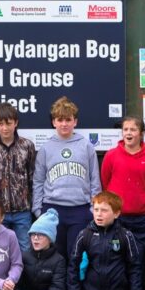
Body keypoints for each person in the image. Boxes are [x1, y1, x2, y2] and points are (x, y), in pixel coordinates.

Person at [33, 96, 102, 266]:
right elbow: (38, 181)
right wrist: (38, 210)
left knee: (76, 256)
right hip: (52, 209)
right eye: (60, 120)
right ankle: (58, 285)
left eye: (68, 120)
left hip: (80, 209)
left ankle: (74, 285)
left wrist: (94, 208)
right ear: (53, 122)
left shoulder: (86, 146)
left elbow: (94, 179)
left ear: (75, 122)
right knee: (55, 256)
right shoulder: (46, 148)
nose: (64, 124)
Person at [67, 191, 143, 290]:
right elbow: (72, 268)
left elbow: (135, 268)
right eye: (96, 209)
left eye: (104, 210)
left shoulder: (126, 235)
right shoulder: (84, 235)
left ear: (116, 214)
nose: (99, 214)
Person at [101, 115, 145, 271]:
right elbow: (105, 182)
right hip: (116, 217)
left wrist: (142, 201)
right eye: (125, 129)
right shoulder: (111, 155)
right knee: (115, 259)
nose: (128, 133)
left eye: (133, 129)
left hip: (140, 219)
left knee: (137, 260)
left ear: (142, 133)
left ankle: (136, 288)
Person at [0, 102, 37, 252]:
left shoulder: (27, 146)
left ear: (16, 123)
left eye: (9, 123)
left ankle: (24, 270)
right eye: (1, 124)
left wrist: (33, 204)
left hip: (23, 210)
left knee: (25, 248)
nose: (5, 128)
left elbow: (32, 177)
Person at [13, 209, 67, 290]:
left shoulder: (59, 260)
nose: (35, 238)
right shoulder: (23, 256)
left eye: (41, 235)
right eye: (33, 235)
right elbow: (16, 281)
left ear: (50, 239)